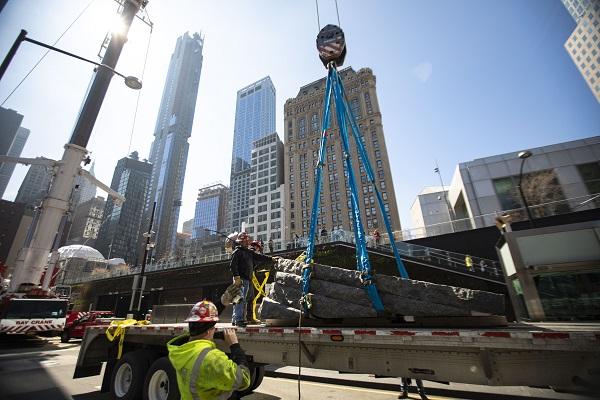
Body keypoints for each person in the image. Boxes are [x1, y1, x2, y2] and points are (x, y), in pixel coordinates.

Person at [167, 300, 251, 400]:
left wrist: (221, 304)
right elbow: (244, 380)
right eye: (214, 328)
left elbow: (202, 323)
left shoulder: (181, 350)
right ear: (208, 331)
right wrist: (235, 346)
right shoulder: (212, 358)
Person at [228, 232, 275, 327]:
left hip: (247, 279)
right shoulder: (237, 252)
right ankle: (239, 320)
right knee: (240, 300)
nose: (246, 242)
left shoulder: (248, 252)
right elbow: (233, 266)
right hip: (240, 279)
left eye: (247, 241)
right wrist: (236, 277)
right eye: (245, 241)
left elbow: (259, 256)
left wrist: (271, 259)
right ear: (241, 242)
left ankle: (235, 319)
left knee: (239, 299)